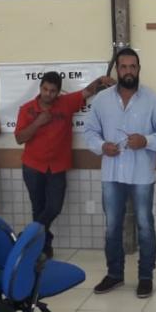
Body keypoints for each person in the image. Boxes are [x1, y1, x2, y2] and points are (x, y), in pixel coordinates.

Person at [84, 47, 156, 299]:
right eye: (123, 67)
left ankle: (145, 276)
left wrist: (146, 141)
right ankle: (114, 274)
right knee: (112, 226)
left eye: (132, 67)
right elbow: (90, 132)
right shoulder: (101, 100)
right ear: (117, 70)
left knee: (145, 225)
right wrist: (101, 146)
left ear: (138, 69)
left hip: (141, 174)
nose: (128, 71)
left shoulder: (153, 100)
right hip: (111, 174)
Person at [15, 71, 116, 257]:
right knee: (38, 208)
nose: (48, 94)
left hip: (57, 167)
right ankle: (42, 247)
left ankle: (28, 236)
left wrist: (101, 79)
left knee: (54, 207)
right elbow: (19, 138)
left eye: (52, 91)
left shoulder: (66, 103)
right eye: (45, 89)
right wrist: (37, 122)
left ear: (58, 92)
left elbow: (87, 92)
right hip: (32, 166)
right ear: (40, 88)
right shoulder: (27, 109)